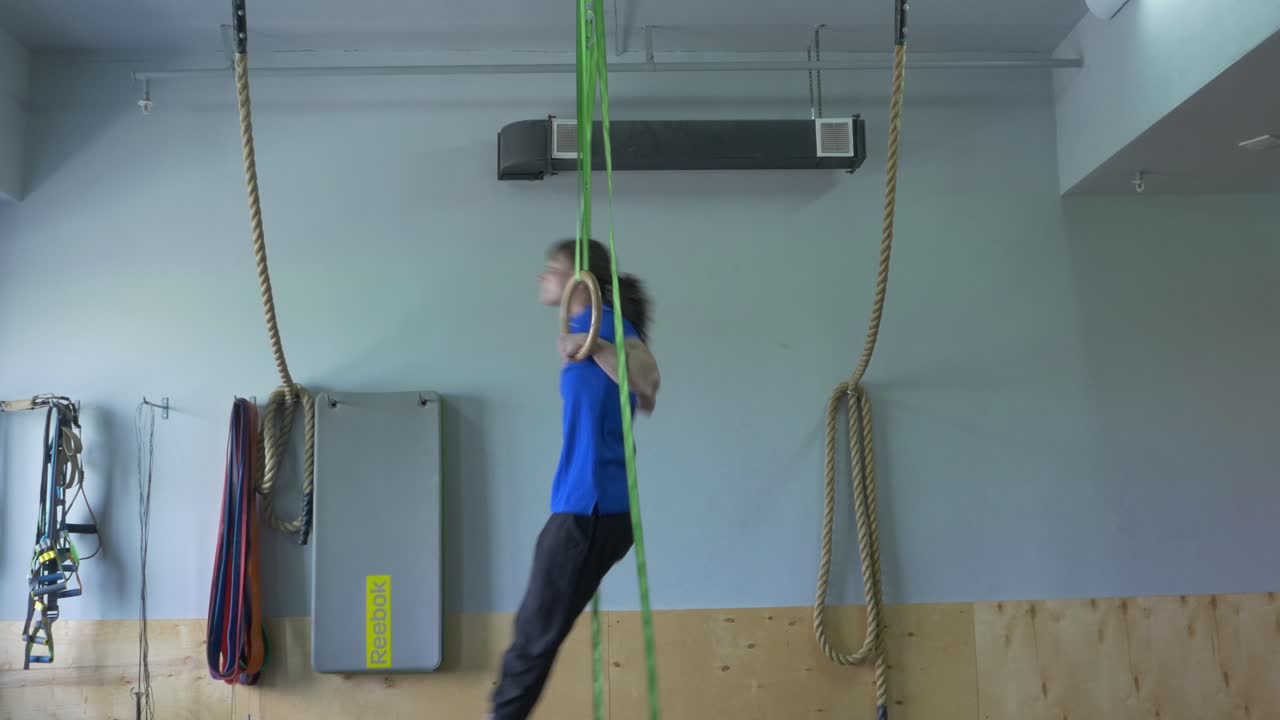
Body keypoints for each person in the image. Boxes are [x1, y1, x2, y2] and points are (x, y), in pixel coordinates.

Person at [488, 239, 661, 720]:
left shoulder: (607, 328)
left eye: (552, 268)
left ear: (581, 281)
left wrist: (595, 347)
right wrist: (583, 344)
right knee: (535, 632)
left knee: (533, 637)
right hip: (584, 507)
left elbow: (648, 383)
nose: (542, 276)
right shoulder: (585, 328)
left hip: (592, 510)